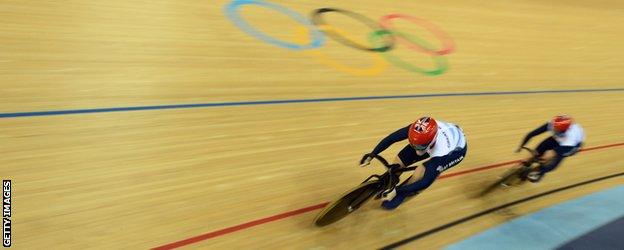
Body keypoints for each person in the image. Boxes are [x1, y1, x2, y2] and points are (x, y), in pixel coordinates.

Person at [359, 116, 467, 210]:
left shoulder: (441, 151)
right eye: (412, 143)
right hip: (432, 140)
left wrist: (398, 191)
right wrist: (372, 154)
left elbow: (425, 182)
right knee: (399, 161)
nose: (416, 150)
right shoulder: (417, 130)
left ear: (431, 141)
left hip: (455, 152)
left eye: (419, 147)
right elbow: (391, 139)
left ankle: (401, 195)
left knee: (420, 173)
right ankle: (389, 180)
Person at [516, 115, 585, 183]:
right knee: (537, 151)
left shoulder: (571, 137)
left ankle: (540, 171)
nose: (553, 129)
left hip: (572, 147)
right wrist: (521, 145)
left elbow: (557, 151)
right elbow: (532, 134)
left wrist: (548, 157)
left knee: (550, 160)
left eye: (555, 129)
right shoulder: (552, 124)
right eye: (553, 127)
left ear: (563, 130)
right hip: (559, 139)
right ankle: (525, 165)